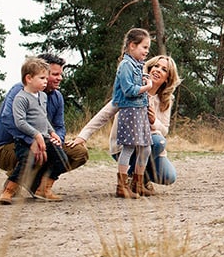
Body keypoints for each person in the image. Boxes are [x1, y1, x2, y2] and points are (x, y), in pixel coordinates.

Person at [67, 54, 181, 194]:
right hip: (124, 146)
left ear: (167, 79)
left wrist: (154, 122)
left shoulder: (166, 100)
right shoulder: (131, 90)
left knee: (169, 176)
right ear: (149, 69)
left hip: (150, 147)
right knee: (157, 141)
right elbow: (104, 114)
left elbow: (164, 130)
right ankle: (126, 181)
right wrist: (83, 136)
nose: (157, 70)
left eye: (164, 69)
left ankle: (140, 179)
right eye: (156, 66)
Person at [0, 52, 88, 194]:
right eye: (54, 74)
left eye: (60, 74)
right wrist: (32, 140)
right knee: (33, 153)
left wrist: (58, 140)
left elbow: (59, 126)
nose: (60, 78)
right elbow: (8, 118)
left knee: (80, 152)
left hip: (44, 143)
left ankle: (41, 186)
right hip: (7, 147)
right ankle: (19, 179)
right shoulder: (20, 90)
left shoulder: (57, 97)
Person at [0, 57, 70, 204]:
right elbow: (18, 121)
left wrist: (53, 134)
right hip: (23, 140)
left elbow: (44, 118)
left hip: (44, 138)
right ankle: (9, 191)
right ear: (29, 78)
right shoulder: (20, 96)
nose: (46, 80)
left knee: (62, 159)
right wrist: (34, 137)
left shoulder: (43, 96)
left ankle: (43, 188)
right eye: (44, 77)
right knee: (27, 161)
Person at [109, 28, 153, 199]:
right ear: (132, 46)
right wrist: (147, 87)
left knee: (146, 148)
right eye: (144, 47)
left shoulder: (138, 65)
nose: (146, 51)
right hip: (130, 111)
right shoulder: (126, 65)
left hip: (140, 110)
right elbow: (129, 90)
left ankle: (138, 182)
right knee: (128, 147)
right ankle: (121, 186)